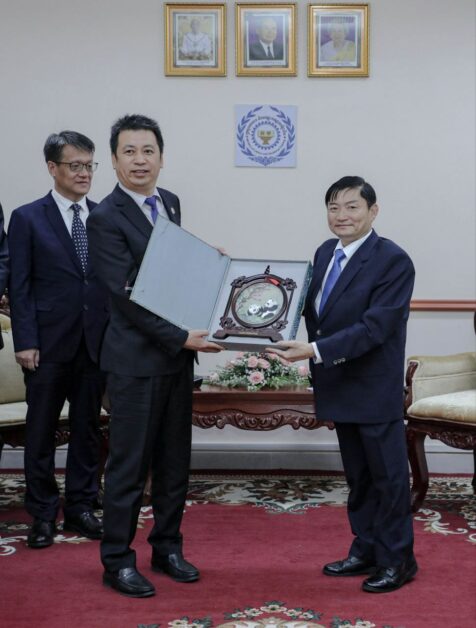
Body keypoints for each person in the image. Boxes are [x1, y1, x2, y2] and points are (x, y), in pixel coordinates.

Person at [87, 113, 223, 598]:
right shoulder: (104, 217)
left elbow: (171, 271)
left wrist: (208, 265)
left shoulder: (170, 202)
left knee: (173, 462)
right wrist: (181, 336)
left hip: (174, 361)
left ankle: (167, 547)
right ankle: (117, 561)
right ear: (114, 160)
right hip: (134, 361)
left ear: (161, 158)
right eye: (129, 151)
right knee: (128, 467)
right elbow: (126, 294)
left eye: (148, 151)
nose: (140, 160)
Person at [268, 176, 417, 594]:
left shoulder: (393, 260)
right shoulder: (324, 252)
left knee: (388, 479)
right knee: (359, 477)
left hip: (372, 386)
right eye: (334, 207)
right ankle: (366, 548)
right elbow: (311, 309)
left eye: (352, 206)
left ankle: (398, 560)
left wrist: (314, 350)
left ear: (373, 211)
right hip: (338, 381)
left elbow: (374, 328)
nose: (342, 215)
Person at [8, 131, 108, 549]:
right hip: (46, 345)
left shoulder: (102, 216)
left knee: (87, 429)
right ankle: (43, 514)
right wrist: (25, 340)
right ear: (53, 167)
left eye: (89, 165)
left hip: (94, 344)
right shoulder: (28, 217)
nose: (84, 173)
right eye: (75, 165)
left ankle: (81, 506)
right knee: (41, 431)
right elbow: (19, 285)